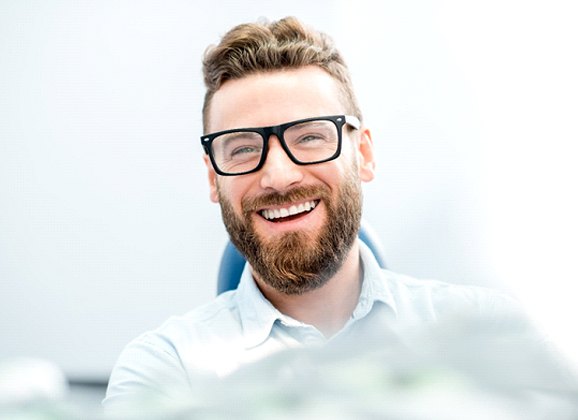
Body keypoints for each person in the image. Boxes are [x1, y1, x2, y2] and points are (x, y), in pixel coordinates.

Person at [103, 16, 577, 416]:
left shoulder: (490, 333)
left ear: (363, 154)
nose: (279, 175)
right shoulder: (166, 371)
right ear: (213, 179)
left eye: (309, 136)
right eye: (244, 148)